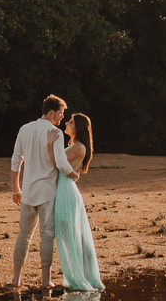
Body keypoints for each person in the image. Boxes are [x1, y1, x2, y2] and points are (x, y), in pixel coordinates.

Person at [10, 94, 79, 289]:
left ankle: (16, 279)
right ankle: (46, 280)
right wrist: (74, 175)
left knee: (23, 235)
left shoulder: (24, 129)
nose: (62, 117)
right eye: (61, 113)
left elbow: (16, 160)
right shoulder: (54, 133)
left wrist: (16, 189)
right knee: (47, 235)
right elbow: (60, 163)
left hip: (29, 191)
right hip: (47, 192)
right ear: (51, 112)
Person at [46, 113, 104, 291]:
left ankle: (83, 275)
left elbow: (56, 162)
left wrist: (49, 144)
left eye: (70, 122)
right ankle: (79, 273)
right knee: (68, 235)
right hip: (63, 190)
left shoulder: (79, 147)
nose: (66, 123)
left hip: (66, 193)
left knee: (70, 235)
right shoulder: (73, 146)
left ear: (78, 127)